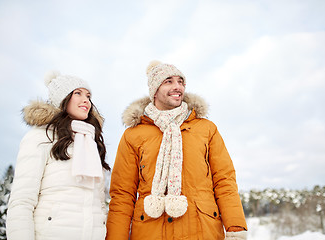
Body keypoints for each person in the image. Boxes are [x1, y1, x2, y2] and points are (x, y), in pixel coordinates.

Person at [106, 60, 247, 240]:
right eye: (169, 81)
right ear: (154, 90)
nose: (177, 86)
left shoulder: (206, 129)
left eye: (180, 82)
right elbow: (122, 194)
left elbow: (224, 181)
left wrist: (235, 228)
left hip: (202, 231)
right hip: (151, 231)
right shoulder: (133, 135)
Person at [6, 71, 110, 240]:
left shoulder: (91, 143)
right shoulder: (40, 137)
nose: (86, 100)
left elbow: (98, 204)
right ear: (62, 98)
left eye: (88, 96)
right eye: (78, 93)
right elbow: (22, 202)